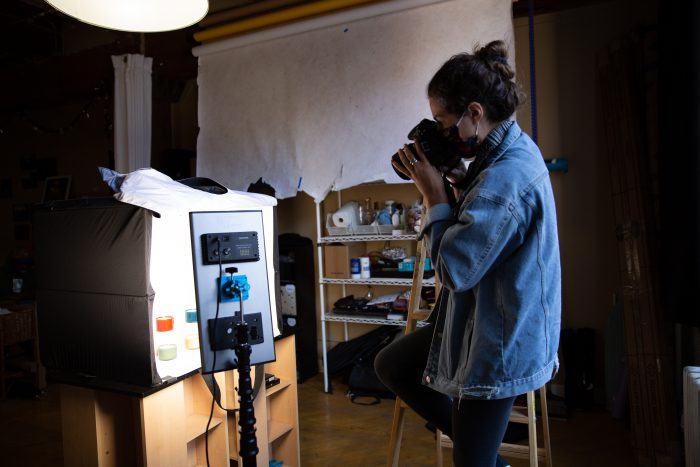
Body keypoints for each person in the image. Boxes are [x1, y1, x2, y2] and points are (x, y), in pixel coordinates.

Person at [375, 40, 561, 467]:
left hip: (500, 339)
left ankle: (478, 455)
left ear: (474, 114)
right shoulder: (504, 151)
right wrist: (460, 183)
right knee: (394, 365)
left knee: (470, 462)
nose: (438, 130)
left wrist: (434, 196)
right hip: (485, 318)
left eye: (442, 120)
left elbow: (456, 269)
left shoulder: (505, 178)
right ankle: (481, 454)